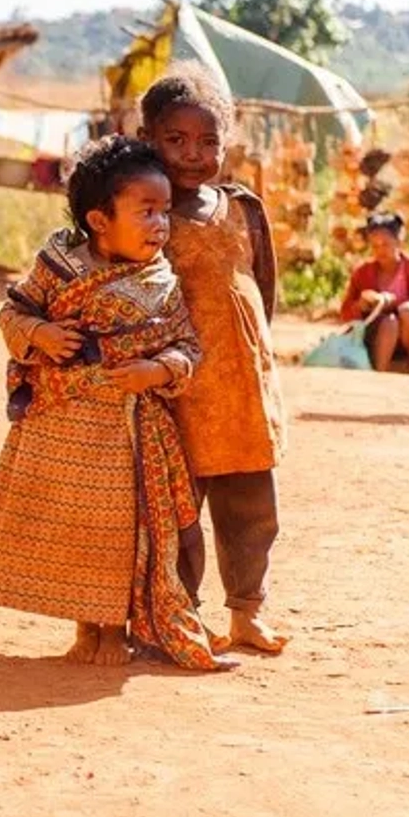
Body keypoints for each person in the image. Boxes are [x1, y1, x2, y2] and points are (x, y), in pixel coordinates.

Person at [0, 137, 231, 670]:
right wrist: (40, 333)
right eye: (146, 212)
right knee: (73, 537)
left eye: (165, 212)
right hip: (60, 431)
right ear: (99, 221)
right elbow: (12, 314)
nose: (161, 225)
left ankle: (114, 632)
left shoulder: (161, 282)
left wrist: (156, 370)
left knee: (118, 538)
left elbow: (187, 347)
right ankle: (87, 628)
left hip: (127, 435)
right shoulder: (58, 264)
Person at [140, 62, 289, 654]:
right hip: (175, 389)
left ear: (227, 142)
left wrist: (254, 357)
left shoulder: (243, 208)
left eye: (208, 141)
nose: (192, 154)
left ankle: (247, 611)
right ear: (148, 138)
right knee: (176, 513)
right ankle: (180, 615)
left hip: (242, 391)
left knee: (252, 507)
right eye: (175, 139)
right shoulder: (144, 215)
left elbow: (262, 290)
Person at [340, 211, 409, 373]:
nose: (380, 250)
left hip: (408, 336)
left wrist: (391, 302)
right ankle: (380, 371)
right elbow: (345, 313)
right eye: (375, 246)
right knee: (389, 322)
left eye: (385, 244)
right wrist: (360, 306)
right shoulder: (362, 272)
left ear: (398, 242)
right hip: (376, 336)